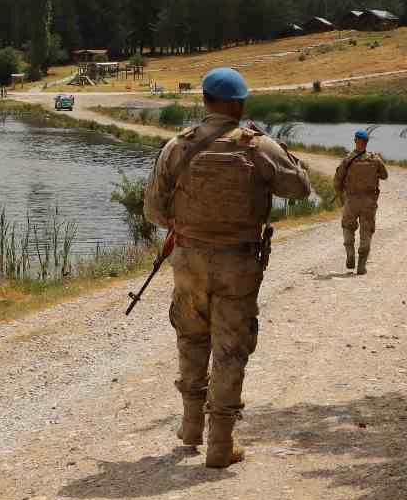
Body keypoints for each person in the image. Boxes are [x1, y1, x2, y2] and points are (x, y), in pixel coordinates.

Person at [144, 67, 311, 468]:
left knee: (191, 337)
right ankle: (220, 445)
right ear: (240, 103)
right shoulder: (259, 146)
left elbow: (153, 210)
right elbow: (300, 190)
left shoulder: (176, 146)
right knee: (231, 348)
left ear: (204, 100)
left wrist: (189, 227)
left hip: (188, 259)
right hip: (238, 260)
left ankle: (189, 428)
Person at [333, 129, 388, 274]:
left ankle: (350, 253)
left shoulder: (347, 159)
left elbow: (337, 180)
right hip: (369, 201)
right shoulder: (374, 159)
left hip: (351, 199)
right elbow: (384, 175)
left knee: (347, 226)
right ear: (367, 142)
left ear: (355, 141)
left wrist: (340, 193)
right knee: (367, 230)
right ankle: (362, 265)